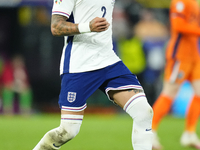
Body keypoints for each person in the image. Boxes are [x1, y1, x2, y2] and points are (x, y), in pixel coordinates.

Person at [33, 0, 153, 150]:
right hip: (79, 64)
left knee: (144, 112)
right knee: (68, 131)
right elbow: (56, 27)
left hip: (108, 60)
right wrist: (87, 27)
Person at [152, 0, 200, 149]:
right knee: (169, 93)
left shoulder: (194, 2)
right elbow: (178, 26)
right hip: (180, 55)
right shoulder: (180, 1)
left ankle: (189, 133)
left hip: (194, 55)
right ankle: (148, 132)